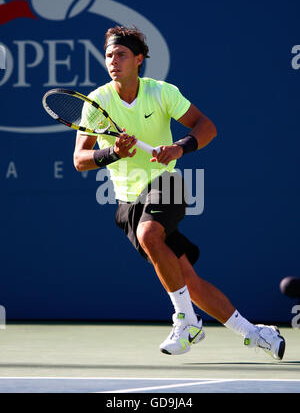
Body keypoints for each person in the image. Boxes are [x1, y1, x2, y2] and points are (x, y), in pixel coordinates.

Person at [73, 25, 285, 360]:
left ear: (139, 59)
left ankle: (185, 322)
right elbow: (80, 160)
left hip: (165, 185)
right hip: (128, 202)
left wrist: (179, 148)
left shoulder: (161, 92)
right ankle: (256, 333)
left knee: (149, 234)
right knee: (188, 280)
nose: (113, 60)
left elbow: (207, 127)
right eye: (109, 55)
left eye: (121, 54)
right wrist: (113, 153)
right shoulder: (97, 102)